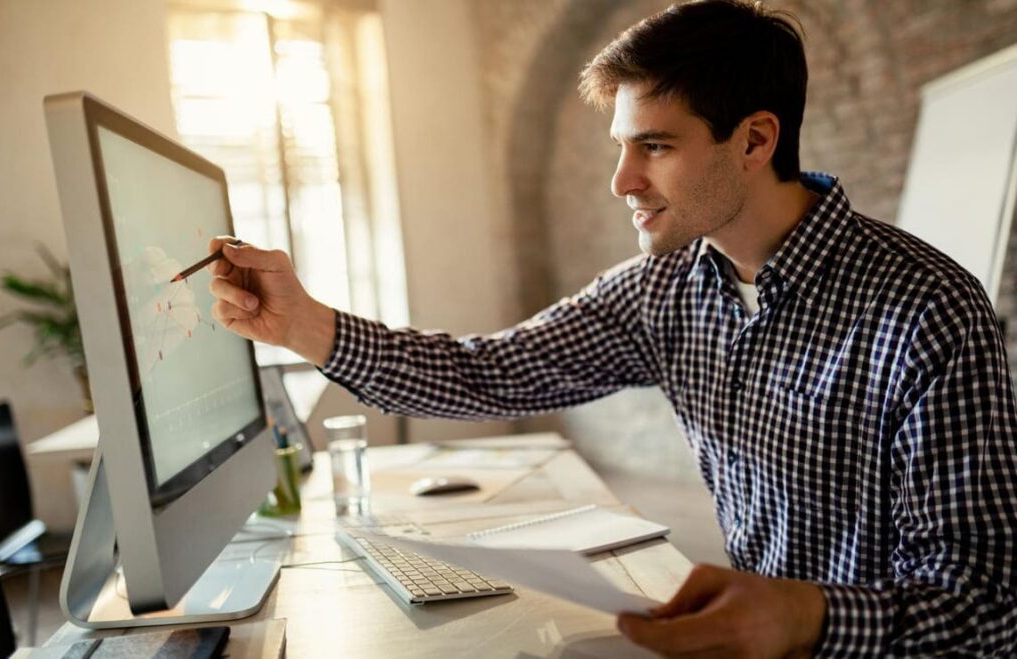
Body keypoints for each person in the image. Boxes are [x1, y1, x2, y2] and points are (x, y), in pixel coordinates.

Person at [207, 0, 1017, 655]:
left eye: (655, 146)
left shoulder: (925, 310)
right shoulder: (662, 288)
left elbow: (983, 610)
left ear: (755, 140)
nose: (622, 180)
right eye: (621, 146)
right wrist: (304, 324)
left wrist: (803, 620)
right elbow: (490, 371)